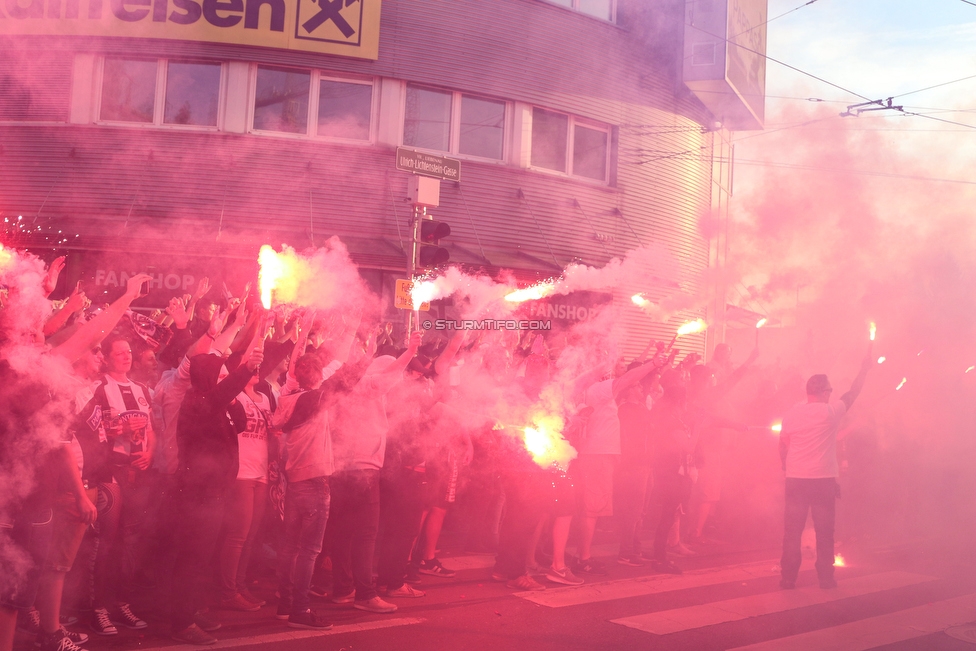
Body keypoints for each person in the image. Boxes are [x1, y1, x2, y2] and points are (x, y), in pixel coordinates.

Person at [778, 347, 872, 590]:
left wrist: (785, 468)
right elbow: (854, 393)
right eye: (830, 390)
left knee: (792, 533)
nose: (832, 393)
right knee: (824, 532)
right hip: (822, 481)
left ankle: (788, 578)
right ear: (823, 392)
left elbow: (783, 444)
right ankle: (826, 578)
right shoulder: (831, 412)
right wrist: (864, 369)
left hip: (796, 480)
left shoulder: (791, 413)